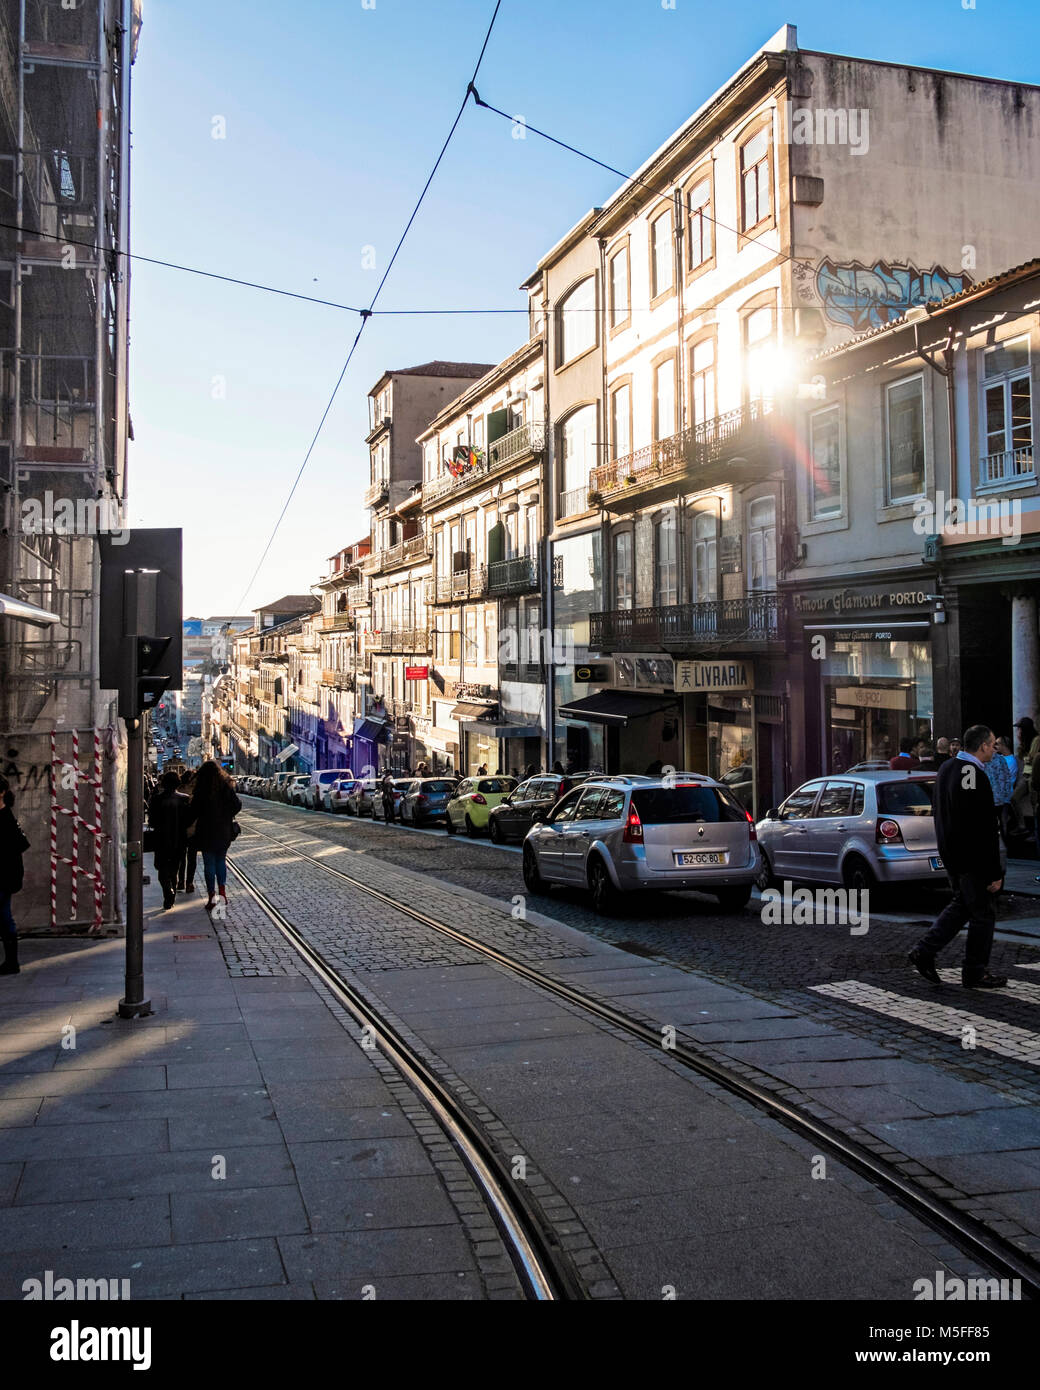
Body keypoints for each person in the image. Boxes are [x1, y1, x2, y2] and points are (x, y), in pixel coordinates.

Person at [908, 725, 1007, 990]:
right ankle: (974, 971)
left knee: (963, 906)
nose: (995, 750)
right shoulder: (971, 773)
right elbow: (981, 828)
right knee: (983, 914)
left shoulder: (947, 769)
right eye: (992, 744)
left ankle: (924, 951)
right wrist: (994, 872)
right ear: (983, 746)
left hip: (954, 855)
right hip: (973, 860)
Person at [187, 761, 241, 911]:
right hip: (223, 830)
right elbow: (237, 805)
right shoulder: (225, 787)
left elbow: (194, 811)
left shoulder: (201, 789)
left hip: (205, 831)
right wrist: (226, 815)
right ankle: (222, 893)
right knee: (220, 861)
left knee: (209, 863)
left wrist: (187, 824)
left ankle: (212, 896)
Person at [0, 776, 29, 976]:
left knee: (4, 917)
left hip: (3, 877)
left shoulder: (5, 819)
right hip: (5, 876)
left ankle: (12, 962)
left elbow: (18, 847)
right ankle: (11, 962)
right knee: (3, 916)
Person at [149, 770, 189, 910]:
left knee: (162, 869)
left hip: (161, 840)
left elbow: (152, 821)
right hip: (179, 840)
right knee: (174, 868)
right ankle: (171, 891)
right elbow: (188, 821)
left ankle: (168, 892)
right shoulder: (185, 799)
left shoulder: (156, 799)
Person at [985, 735, 1015, 845]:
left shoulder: (984, 760)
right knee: (1002, 822)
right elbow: (1007, 778)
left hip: (992, 798)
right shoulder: (1001, 759)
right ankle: (1003, 844)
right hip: (1000, 798)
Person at [177, 770, 198, 893]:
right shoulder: (196, 793)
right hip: (193, 830)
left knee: (181, 857)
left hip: (181, 829)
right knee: (192, 858)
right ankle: (189, 882)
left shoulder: (178, 790)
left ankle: (181, 881)